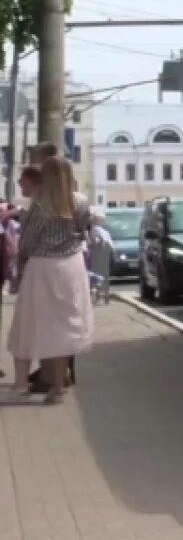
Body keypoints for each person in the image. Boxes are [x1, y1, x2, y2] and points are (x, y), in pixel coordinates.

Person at [7, 157, 93, 403]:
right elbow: (83, 230)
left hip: (43, 266)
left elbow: (27, 242)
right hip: (72, 266)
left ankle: (33, 383)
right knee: (65, 325)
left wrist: (19, 272)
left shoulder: (39, 205)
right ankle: (58, 384)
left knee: (34, 322)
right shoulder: (80, 201)